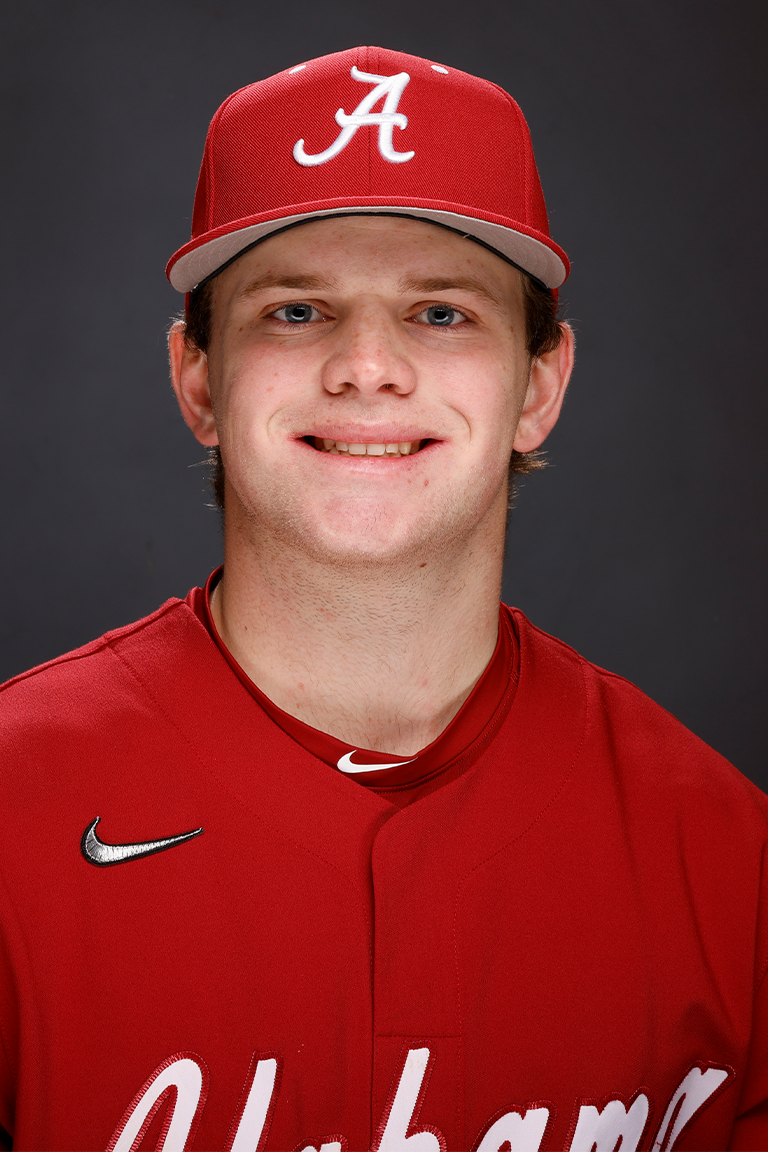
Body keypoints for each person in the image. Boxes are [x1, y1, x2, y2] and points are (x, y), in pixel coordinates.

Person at [0, 45, 765, 1152]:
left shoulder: (729, 859)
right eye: (296, 311)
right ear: (198, 380)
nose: (367, 366)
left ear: (539, 385)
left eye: (442, 313)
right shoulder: (14, 808)